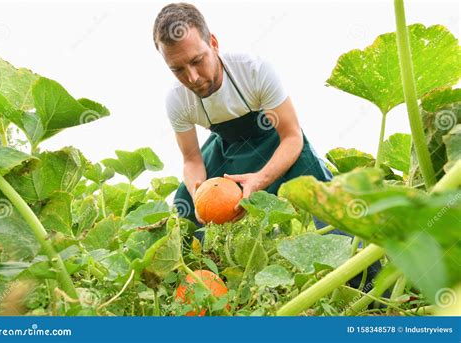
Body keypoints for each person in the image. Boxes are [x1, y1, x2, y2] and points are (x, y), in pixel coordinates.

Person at [153, 3, 382, 292]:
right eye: (178, 69)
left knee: (327, 202)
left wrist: (260, 180)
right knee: (185, 203)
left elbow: (292, 136)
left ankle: (372, 289)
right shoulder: (176, 100)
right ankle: (199, 289)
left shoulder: (255, 70)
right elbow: (190, 159)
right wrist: (200, 191)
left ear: (213, 43)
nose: (193, 77)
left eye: (197, 60)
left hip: (277, 140)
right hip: (228, 147)